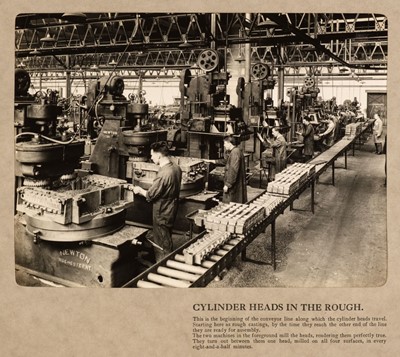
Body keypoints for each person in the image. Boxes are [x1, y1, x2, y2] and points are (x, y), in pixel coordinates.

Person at [133, 141, 182, 262]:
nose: (151, 157)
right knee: (164, 234)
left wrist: (139, 190)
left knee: (162, 241)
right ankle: (154, 256)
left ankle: (164, 265)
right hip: (172, 206)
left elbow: (150, 195)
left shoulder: (164, 173)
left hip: (162, 210)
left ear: (159, 156)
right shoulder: (176, 168)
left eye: (152, 155)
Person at [221, 135, 247, 204]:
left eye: (225, 143)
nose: (224, 145)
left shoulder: (235, 152)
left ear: (229, 143)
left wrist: (227, 184)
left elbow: (233, 170)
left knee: (231, 204)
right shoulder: (235, 151)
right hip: (236, 184)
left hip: (234, 186)